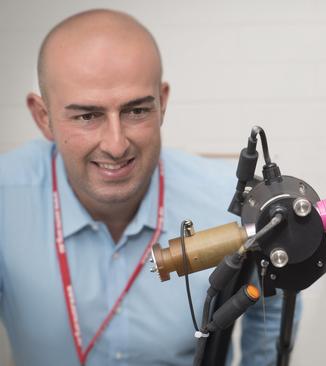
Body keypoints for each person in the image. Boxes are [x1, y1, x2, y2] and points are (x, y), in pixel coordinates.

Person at [0, 9, 286, 366]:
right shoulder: (5, 199)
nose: (116, 145)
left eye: (136, 111)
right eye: (87, 116)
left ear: (162, 103)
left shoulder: (231, 203)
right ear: (43, 117)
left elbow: (270, 304)